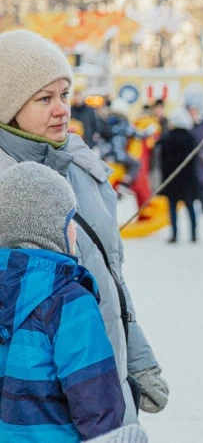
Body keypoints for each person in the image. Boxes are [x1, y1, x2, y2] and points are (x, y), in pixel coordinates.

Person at [0, 30, 168, 422]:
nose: (62, 109)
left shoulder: (82, 166)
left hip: (101, 378)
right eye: (44, 99)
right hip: (30, 402)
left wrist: (136, 360)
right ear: (8, 107)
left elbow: (111, 278)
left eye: (63, 94)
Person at [0, 162, 125, 441]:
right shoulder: (69, 301)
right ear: (51, 229)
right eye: (71, 221)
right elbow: (96, 403)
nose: (76, 232)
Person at [157, 109, 200, 243]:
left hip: (172, 179)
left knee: (172, 208)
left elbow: (162, 160)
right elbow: (195, 161)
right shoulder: (190, 138)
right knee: (190, 207)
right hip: (187, 179)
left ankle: (174, 234)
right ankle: (193, 234)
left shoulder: (166, 138)